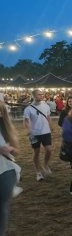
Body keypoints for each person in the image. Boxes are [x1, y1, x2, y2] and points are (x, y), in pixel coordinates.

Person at [0, 101, 21, 235]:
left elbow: (13, 151)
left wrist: (10, 149)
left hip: (5, 172)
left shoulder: (5, 130)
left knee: (2, 208)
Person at [23, 90, 52, 181]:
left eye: (42, 94)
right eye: (39, 95)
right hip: (35, 134)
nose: (41, 96)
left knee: (49, 150)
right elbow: (26, 121)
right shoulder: (28, 109)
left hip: (46, 132)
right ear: (34, 96)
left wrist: (50, 127)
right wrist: (28, 129)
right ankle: (38, 172)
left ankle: (45, 165)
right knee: (36, 152)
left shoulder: (46, 106)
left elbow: (48, 117)